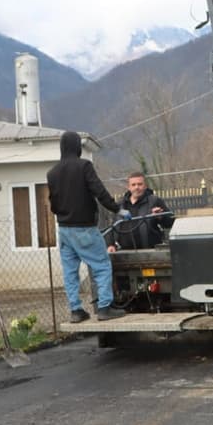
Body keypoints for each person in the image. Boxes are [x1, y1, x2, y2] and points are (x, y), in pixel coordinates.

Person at [46, 130, 126, 322]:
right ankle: (105, 308)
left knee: (70, 271)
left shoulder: (52, 173)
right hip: (84, 228)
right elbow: (99, 191)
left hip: (64, 230)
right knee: (102, 266)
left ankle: (76, 311)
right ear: (77, 146)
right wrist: (117, 209)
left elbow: (53, 203)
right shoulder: (84, 167)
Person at [107, 171, 175, 251]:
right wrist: (111, 244)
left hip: (150, 252)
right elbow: (112, 226)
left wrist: (160, 217)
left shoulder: (154, 201)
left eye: (140, 184)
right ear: (129, 187)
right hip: (124, 252)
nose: (137, 187)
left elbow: (170, 223)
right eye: (133, 185)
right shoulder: (120, 204)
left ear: (145, 186)